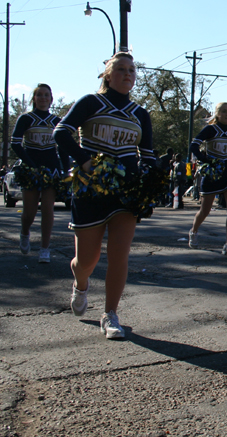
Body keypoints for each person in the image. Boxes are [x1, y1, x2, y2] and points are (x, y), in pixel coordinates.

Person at [53, 52, 155, 339]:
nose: (127, 74)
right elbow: (61, 132)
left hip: (126, 192)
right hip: (91, 188)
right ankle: (81, 283)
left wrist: (150, 179)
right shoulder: (91, 102)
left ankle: (110, 314)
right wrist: (84, 161)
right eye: (121, 69)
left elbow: (146, 154)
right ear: (108, 75)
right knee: (86, 259)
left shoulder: (140, 114)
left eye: (132, 70)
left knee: (119, 254)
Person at [11, 83, 68, 262]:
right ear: (34, 99)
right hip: (31, 170)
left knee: (48, 210)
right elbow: (15, 143)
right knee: (29, 212)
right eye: (39, 95)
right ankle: (25, 231)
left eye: (46, 95)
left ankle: (45, 249)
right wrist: (30, 164)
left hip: (51, 170)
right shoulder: (26, 119)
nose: (43, 98)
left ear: (51, 99)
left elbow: (64, 146)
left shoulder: (57, 121)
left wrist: (64, 170)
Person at [188, 102, 227, 256]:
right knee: (205, 210)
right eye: (224, 111)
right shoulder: (210, 129)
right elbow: (194, 146)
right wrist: (206, 160)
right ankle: (194, 230)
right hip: (212, 173)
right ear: (217, 113)